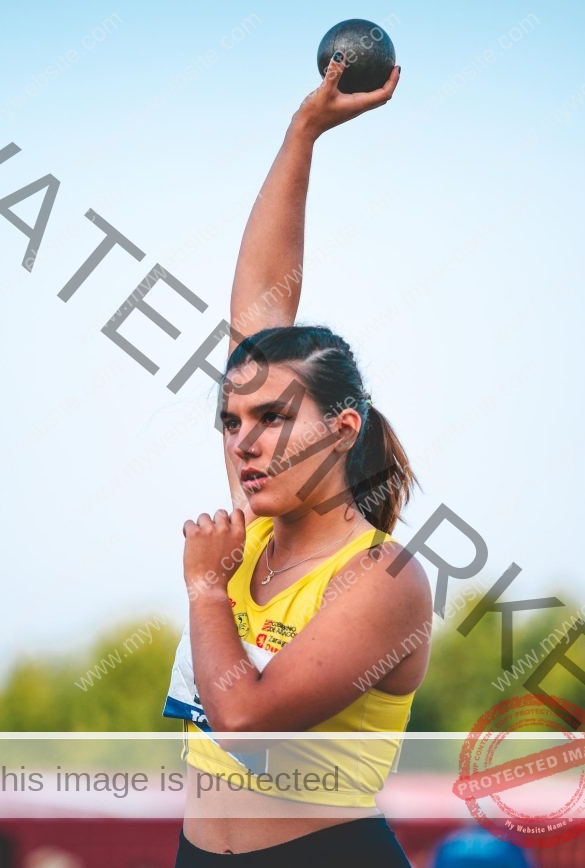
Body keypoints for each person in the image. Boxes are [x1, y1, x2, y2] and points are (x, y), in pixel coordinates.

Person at [164, 50, 433, 867]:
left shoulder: (381, 578)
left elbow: (244, 724)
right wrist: (302, 133)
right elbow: (258, 317)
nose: (243, 440)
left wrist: (209, 590)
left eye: (274, 418)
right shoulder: (254, 518)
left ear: (342, 429)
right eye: (229, 420)